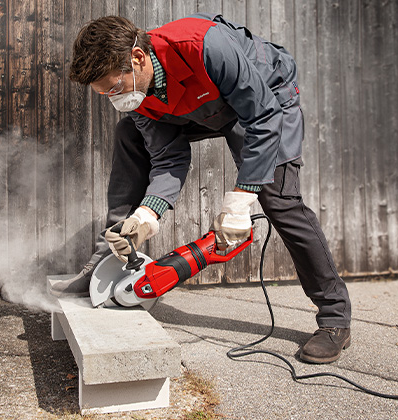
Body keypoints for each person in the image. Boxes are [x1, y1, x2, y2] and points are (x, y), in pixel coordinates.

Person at [53, 13, 352, 364]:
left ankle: (335, 317)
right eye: (104, 94)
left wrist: (241, 202)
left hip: (266, 100)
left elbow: (263, 117)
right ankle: (112, 253)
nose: (113, 98)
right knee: (128, 134)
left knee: (279, 199)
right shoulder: (137, 92)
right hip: (204, 107)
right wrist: (147, 215)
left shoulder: (205, 46)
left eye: (114, 88)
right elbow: (168, 157)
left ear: (137, 58)